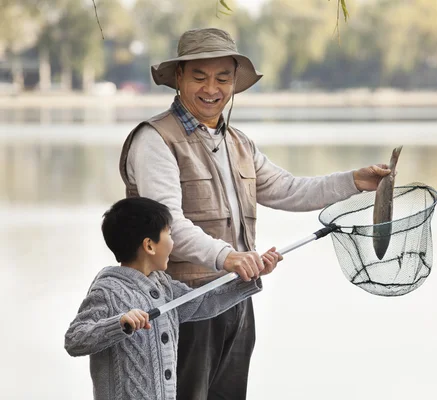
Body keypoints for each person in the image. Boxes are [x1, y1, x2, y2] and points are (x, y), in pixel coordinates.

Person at [119, 27, 391, 399]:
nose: (211, 88)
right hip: (178, 304)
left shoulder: (238, 143)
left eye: (222, 78)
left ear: (235, 83)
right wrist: (227, 256)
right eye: (199, 76)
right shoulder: (154, 139)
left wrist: (354, 181)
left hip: (236, 299)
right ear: (178, 78)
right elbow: (167, 226)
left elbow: (289, 189)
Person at [64, 197, 265, 400]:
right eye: (169, 234)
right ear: (149, 245)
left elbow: (204, 303)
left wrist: (251, 276)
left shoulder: (163, 286)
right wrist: (119, 324)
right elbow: (75, 340)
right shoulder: (108, 290)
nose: (173, 242)